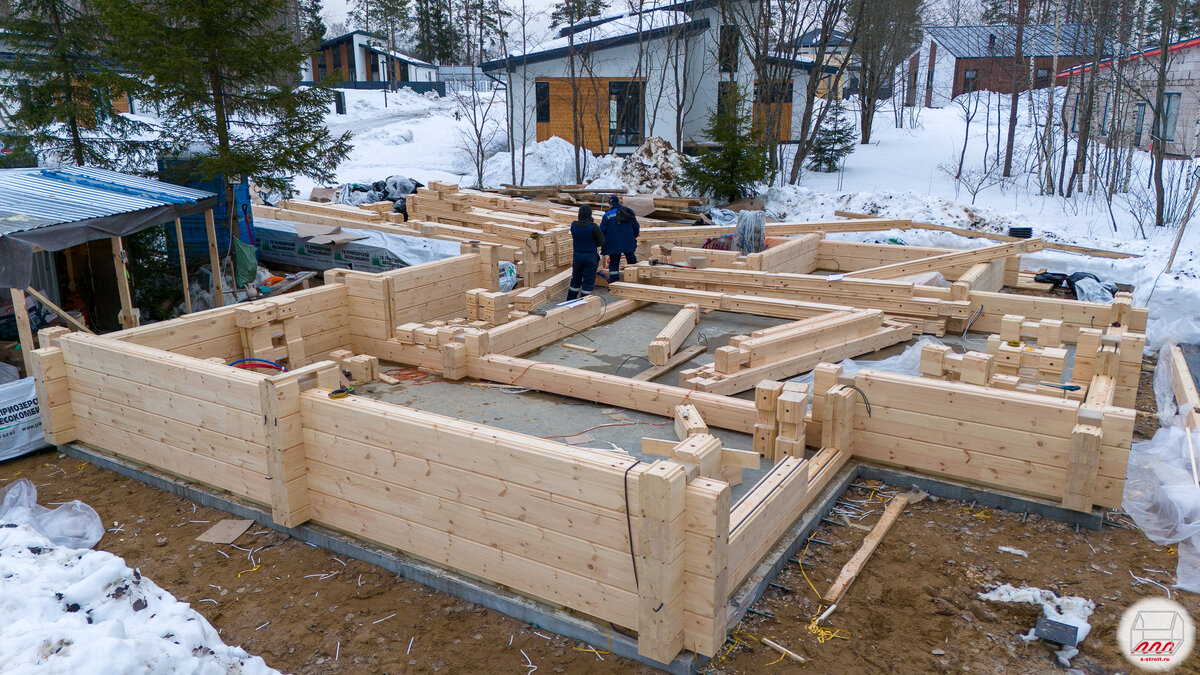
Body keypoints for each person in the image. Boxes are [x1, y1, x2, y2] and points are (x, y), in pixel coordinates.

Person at [567, 205, 604, 300]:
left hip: (577, 256)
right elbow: (601, 241)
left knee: (575, 280)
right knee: (588, 281)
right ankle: (583, 302)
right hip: (590, 256)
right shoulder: (593, 227)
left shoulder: (574, 225)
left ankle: (570, 301)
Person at [600, 195, 639, 282]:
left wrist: (602, 243)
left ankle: (614, 283)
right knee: (632, 261)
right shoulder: (627, 212)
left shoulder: (607, 215)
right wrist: (633, 237)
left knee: (614, 263)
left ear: (610, 204)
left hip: (614, 243)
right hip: (628, 241)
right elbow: (636, 226)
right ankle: (636, 280)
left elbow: (602, 230)